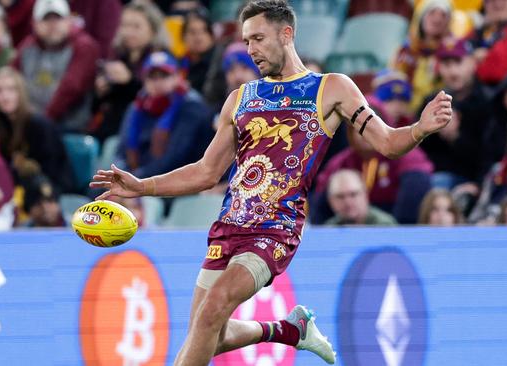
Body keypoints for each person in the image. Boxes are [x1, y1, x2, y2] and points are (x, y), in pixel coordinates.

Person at [90, 1, 453, 364]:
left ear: (287, 34)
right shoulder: (240, 99)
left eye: (259, 38)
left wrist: (419, 129)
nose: (251, 50)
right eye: (247, 41)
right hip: (227, 227)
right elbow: (206, 172)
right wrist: (141, 186)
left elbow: (387, 142)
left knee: (214, 307)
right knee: (208, 334)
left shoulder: (330, 88)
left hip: (275, 228)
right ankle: (287, 330)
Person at [116, 51, 214, 178]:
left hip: (175, 181)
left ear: (177, 77)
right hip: (137, 177)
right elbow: (121, 151)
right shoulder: (137, 107)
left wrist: (137, 181)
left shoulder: (190, 107)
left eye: (164, 76)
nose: (158, 82)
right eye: (152, 77)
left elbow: (174, 158)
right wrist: (121, 176)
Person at [13, 0, 100, 132]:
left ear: (69, 21)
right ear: (34, 23)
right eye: (46, 19)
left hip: (68, 127)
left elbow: (71, 88)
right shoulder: (26, 47)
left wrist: (43, 121)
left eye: (58, 19)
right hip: (28, 124)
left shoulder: (84, 46)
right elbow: (9, 78)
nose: (53, 25)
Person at [90, 0, 168, 143]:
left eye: (136, 26)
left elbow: (159, 100)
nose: (128, 32)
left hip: (144, 131)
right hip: (109, 128)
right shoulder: (118, 56)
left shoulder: (161, 60)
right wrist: (102, 90)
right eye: (124, 25)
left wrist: (129, 81)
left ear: (153, 29)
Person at [0, 66, 74, 193]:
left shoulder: (40, 125)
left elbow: (52, 172)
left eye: (11, 89)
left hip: (52, 190)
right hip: (17, 190)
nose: (5, 96)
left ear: (21, 93)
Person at [418, 37, 490, 188]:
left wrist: (455, 137)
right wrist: (426, 130)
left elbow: (489, 154)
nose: (453, 71)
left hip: (474, 182)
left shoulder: (488, 101)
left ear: (472, 63)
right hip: (435, 176)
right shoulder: (431, 102)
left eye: (458, 62)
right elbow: (418, 149)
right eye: (446, 64)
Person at [393, 0, 454, 111]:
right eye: (432, 13)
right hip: (404, 113)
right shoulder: (405, 50)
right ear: (421, 17)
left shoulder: (452, 52)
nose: (437, 19)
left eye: (443, 15)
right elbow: (394, 80)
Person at [325, 169, 397, 226]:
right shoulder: (328, 230)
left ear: (365, 195)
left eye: (353, 194)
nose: (348, 202)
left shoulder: (384, 226)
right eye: (340, 196)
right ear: (331, 201)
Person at [180, 7, 217, 94]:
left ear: (212, 36)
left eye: (204, 31)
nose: (198, 38)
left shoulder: (218, 63)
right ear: (183, 36)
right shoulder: (179, 63)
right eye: (192, 32)